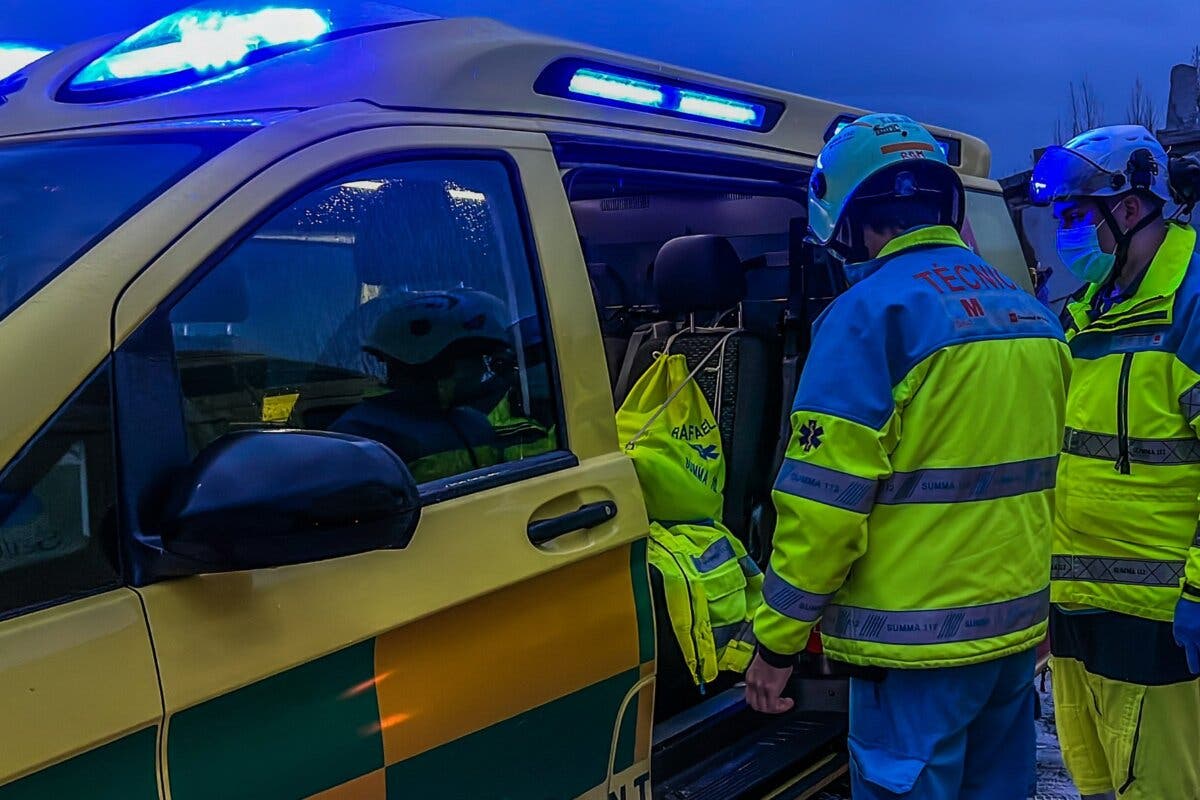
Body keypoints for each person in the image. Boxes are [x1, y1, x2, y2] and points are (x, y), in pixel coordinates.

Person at [744, 113, 1071, 799]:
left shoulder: (869, 316)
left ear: (857, 220)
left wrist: (776, 645)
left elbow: (823, 509)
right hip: (1011, 638)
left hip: (914, 651)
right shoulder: (1030, 314)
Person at [1030, 125, 1200, 800]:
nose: (1065, 235)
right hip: (1077, 617)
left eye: (1075, 216)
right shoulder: (1084, 317)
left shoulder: (1191, 305)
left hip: (1165, 628)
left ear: (1130, 209)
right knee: (1098, 787)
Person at [330, 289, 508, 483]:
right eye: (472, 359)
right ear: (436, 362)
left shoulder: (474, 423)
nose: (482, 369)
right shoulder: (363, 439)